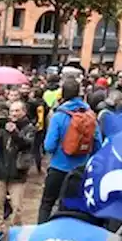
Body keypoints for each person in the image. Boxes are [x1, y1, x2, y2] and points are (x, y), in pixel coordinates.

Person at [38, 79, 98, 223]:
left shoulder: (59, 116)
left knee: (47, 203)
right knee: (71, 208)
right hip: (80, 170)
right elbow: (98, 145)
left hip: (58, 167)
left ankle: (41, 233)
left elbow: (49, 146)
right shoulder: (90, 116)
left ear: (63, 94)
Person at [0, 100, 37, 228]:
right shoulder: (4, 125)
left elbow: (27, 144)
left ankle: (15, 229)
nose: (14, 113)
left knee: (17, 206)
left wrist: (14, 132)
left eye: (17, 110)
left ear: (24, 112)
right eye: (11, 110)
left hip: (18, 171)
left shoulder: (29, 128)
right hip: (1, 169)